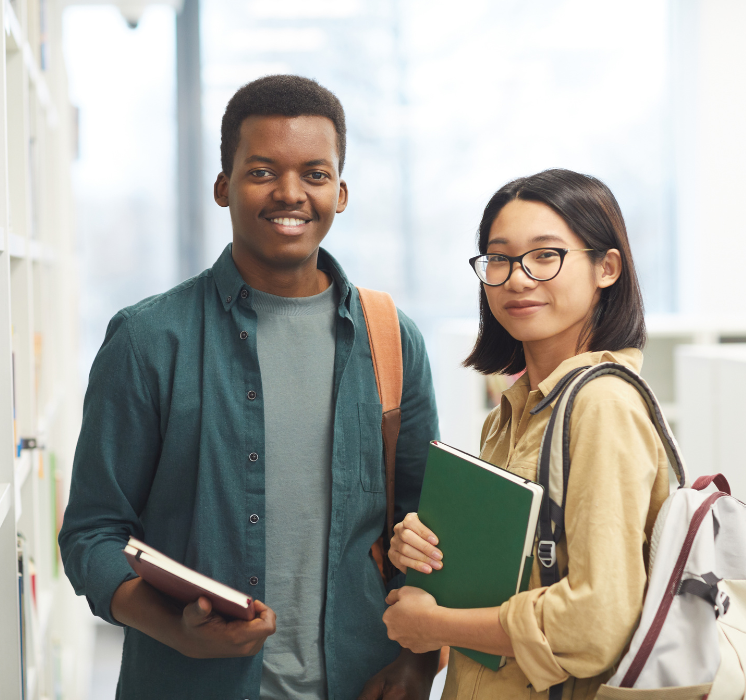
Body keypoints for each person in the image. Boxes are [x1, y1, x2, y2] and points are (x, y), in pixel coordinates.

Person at [58, 75, 441, 700]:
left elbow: (423, 526)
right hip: (187, 684)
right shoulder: (148, 339)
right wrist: (174, 629)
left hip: (361, 682)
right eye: (263, 171)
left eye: (315, 174)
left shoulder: (391, 340)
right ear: (222, 186)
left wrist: (420, 662)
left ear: (341, 193)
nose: (290, 193)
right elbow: (92, 533)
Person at [382, 169, 671, 699]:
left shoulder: (602, 405)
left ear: (606, 267)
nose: (517, 278)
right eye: (499, 258)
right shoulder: (512, 411)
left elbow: (596, 622)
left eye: (546, 255)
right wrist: (426, 552)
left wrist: (436, 626)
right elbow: (511, 577)